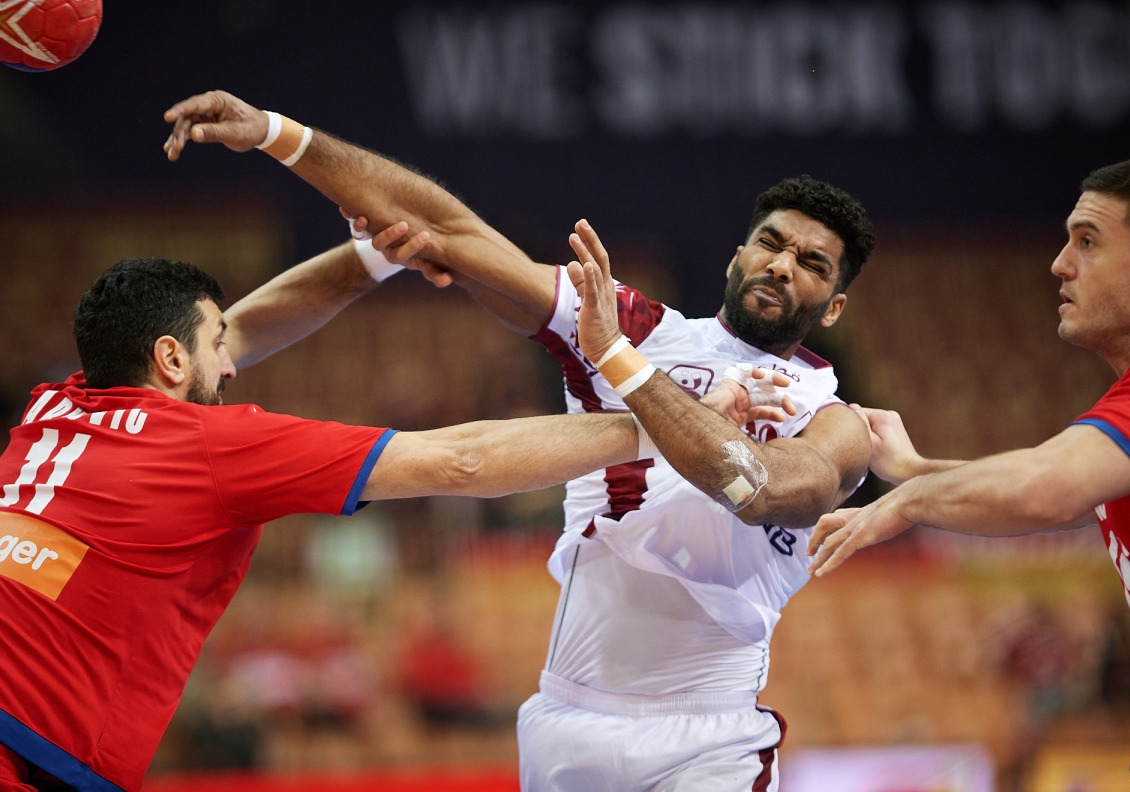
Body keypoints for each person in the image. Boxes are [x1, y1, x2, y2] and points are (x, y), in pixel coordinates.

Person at [162, 89, 874, 791]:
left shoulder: (836, 417)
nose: (782, 265)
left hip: (709, 738)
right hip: (568, 720)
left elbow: (761, 490)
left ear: (835, 305)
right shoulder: (641, 326)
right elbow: (448, 229)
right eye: (772, 244)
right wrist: (278, 133)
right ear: (735, 257)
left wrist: (615, 361)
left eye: (812, 264)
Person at [0, 232, 780, 791]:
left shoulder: (52, 410)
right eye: (214, 344)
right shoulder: (206, 444)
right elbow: (459, 459)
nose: (233, 360)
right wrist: (662, 422)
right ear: (170, 360)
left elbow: (247, 324)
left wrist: (372, 255)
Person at [804, 158, 1130, 789]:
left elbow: (1049, 486)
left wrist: (905, 502)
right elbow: (1065, 489)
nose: (1060, 263)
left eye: (1088, 241)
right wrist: (913, 469)